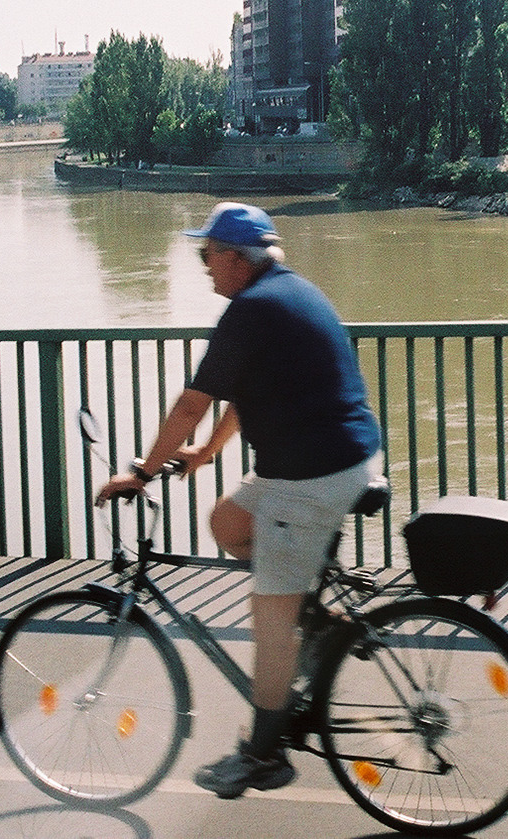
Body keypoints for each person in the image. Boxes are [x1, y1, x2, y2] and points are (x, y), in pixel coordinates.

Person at [93, 202, 382, 800]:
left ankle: (263, 754)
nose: (203, 269)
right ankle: (322, 628)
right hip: (343, 459)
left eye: (207, 256)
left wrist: (143, 472)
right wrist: (205, 455)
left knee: (268, 624)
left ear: (233, 258)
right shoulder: (291, 293)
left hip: (308, 478)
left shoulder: (250, 312)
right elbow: (246, 396)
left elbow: (191, 404)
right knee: (226, 522)